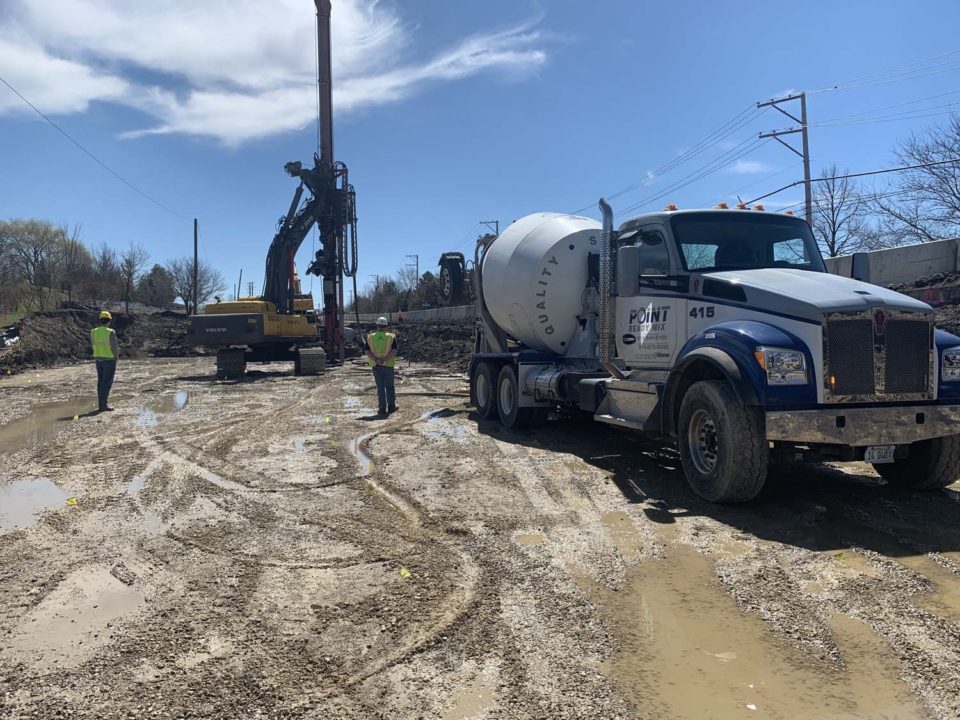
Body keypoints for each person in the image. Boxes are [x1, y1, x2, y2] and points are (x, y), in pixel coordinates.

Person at [365, 316, 399, 415]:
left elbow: (367, 351)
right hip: (388, 365)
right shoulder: (391, 336)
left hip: (376, 366)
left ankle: (382, 409)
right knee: (390, 387)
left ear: (377, 325)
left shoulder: (370, 337)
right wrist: (385, 360)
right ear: (386, 326)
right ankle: (391, 407)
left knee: (380, 388)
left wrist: (376, 360)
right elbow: (394, 351)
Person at [91, 310, 119, 412]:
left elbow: (93, 344)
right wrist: (116, 357)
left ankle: (101, 404)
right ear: (109, 321)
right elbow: (114, 347)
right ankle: (103, 406)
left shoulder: (93, 332)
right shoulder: (110, 332)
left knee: (101, 382)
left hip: (98, 359)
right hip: (109, 359)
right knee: (106, 383)